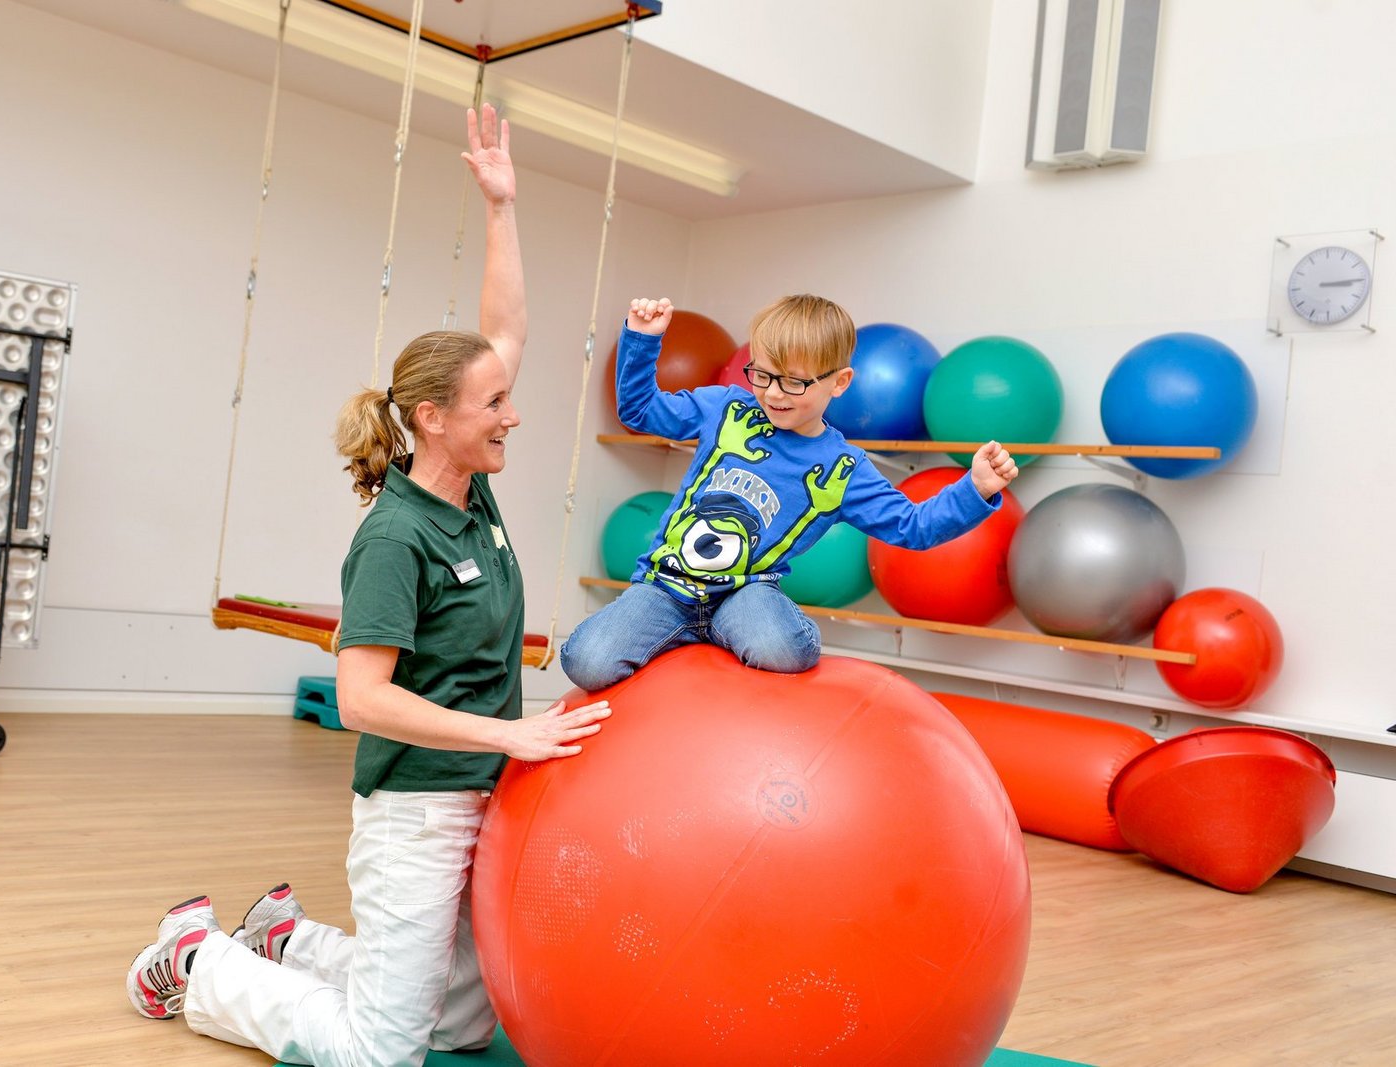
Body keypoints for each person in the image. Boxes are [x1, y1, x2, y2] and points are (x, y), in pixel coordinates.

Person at [124, 104, 610, 1067]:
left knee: (464, 1026)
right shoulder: (398, 535)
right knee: (382, 1053)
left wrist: (501, 206)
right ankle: (198, 961)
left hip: (484, 794)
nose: (514, 413)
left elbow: (507, 326)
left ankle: (286, 937)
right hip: (418, 809)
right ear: (435, 418)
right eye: (496, 404)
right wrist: (510, 733)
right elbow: (361, 698)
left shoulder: (473, 491)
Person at [559, 294, 1019, 692]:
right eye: (762, 375)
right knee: (584, 661)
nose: (774, 394)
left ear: (839, 383)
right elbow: (639, 411)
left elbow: (912, 527)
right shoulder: (726, 409)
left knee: (781, 651)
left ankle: (754, 627)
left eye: (794, 382)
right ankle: (689, 633)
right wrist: (641, 341)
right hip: (666, 587)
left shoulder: (842, 468)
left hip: (745, 594)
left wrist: (974, 489)